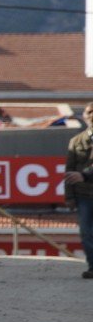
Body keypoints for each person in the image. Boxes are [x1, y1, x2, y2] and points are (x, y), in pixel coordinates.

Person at [63, 101, 93, 279]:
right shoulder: (76, 142)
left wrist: (84, 174)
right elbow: (69, 171)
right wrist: (69, 197)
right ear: (84, 116)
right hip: (83, 196)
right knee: (86, 233)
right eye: (89, 112)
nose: (91, 115)